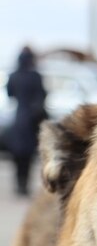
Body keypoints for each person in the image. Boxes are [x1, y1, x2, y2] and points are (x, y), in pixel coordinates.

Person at [6, 46, 47, 196]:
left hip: (18, 118)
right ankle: (24, 186)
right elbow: (43, 95)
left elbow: (10, 94)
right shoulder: (35, 76)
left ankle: (19, 184)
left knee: (17, 154)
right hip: (32, 119)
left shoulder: (14, 75)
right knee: (28, 155)